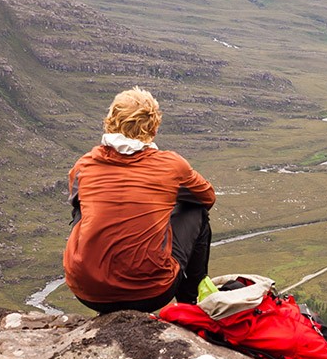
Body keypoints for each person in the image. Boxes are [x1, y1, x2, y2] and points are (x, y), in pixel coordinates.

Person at [63, 87, 215, 313]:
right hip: (151, 292)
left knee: (82, 206)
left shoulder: (84, 165)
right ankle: (190, 305)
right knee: (196, 210)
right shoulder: (171, 165)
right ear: (154, 126)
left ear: (111, 121)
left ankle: (95, 270)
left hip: (88, 292)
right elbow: (206, 197)